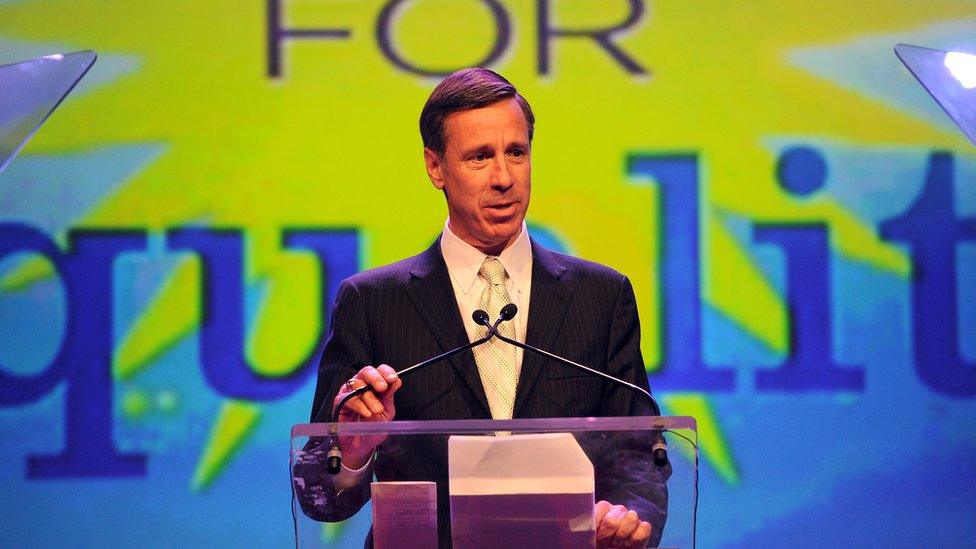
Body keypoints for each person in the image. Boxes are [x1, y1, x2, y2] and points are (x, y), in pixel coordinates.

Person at [299, 68, 669, 548]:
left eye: (516, 152)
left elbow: (639, 452)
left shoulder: (601, 296)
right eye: (479, 157)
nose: (504, 178)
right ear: (436, 168)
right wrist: (352, 453)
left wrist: (628, 516)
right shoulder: (372, 302)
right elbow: (319, 497)